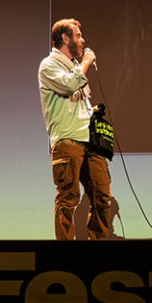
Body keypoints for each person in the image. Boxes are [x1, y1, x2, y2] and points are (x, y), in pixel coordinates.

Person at [38, 19, 117, 240]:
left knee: (103, 196)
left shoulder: (74, 67)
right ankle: (66, 253)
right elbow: (68, 85)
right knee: (68, 198)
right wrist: (87, 62)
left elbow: (75, 100)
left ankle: (98, 246)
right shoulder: (49, 64)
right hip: (67, 141)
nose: (82, 40)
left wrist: (93, 112)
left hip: (90, 140)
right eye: (78, 35)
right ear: (65, 38)